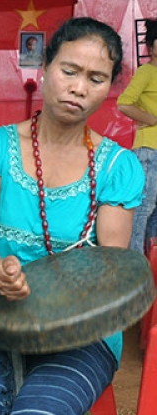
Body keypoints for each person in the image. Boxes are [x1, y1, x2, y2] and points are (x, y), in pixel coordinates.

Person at [0, 17, 144, 415]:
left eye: (96, 79)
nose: (80, 88)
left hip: (83, 331)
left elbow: (109, 265)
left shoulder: (118, 166)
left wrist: (56, 303)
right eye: (69, 71)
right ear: (45, 67)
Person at [118, 19, 157, 253]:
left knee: (155, 215)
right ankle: (135, 268)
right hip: (149, 151)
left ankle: (152, 269)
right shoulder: (147, 71)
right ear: (151, 47)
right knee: (143, 209)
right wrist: (151, 119)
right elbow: (124, 103)